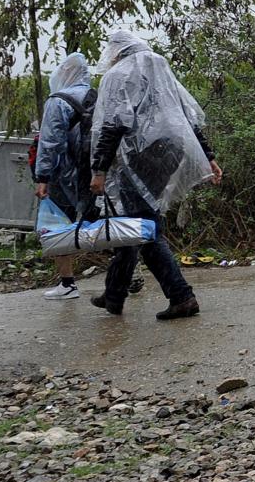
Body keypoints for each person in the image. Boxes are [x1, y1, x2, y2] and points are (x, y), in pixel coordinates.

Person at [89, 31, 221, 319]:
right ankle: (114, 294)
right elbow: (186, 117)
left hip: (139, 158)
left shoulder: (118, 76)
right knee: (132, 224)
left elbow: (112, 126)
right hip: (171, 153)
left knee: (144, 229)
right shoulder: (157, 68)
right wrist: (208, 156)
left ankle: (181, 296)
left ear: (117, 51)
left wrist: (99, 169)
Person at [33, 52, 95, 300]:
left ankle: (67, 284)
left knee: (57, 226)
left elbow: (49, 143)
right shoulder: (96, 96)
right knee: (104, 222)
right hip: (95, 174)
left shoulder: (58, 101)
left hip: (65, 176)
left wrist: (43, 177)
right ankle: (127, 270)